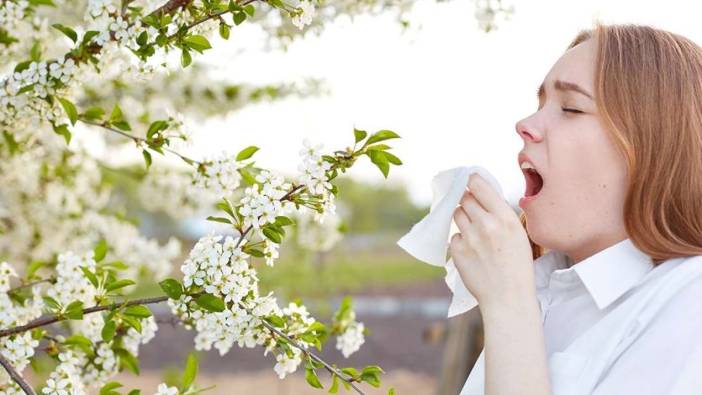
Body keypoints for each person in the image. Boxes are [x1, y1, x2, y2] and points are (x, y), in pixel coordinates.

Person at [449, 23, 702, 395]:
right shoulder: (543, 287)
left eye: (571, 108)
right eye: (540, 105)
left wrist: (508, 304)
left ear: (655, 146)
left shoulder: (689, 303)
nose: (525, 125)